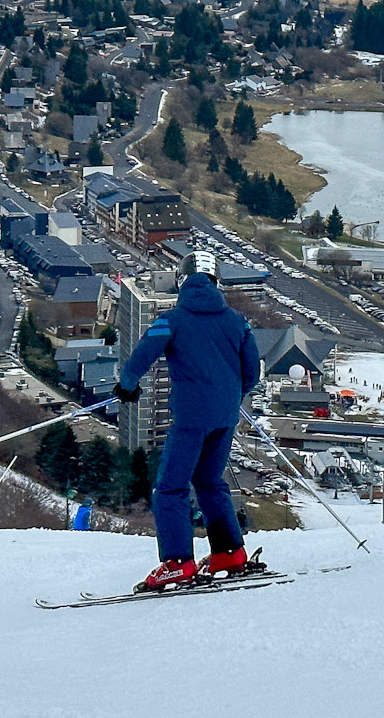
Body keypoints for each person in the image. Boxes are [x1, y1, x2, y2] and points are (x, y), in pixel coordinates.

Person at [114, 250, 261, 590]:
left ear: (182, 281)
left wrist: (127, 387)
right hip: (225, 417)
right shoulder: (237, 321)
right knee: (210, 482)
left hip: (191, 418)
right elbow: (251, 373)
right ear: (216, 281)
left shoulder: (172, 319)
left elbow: (141, 356)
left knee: (170, 486)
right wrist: (230, 397)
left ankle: (178, 562)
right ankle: (229, 552)